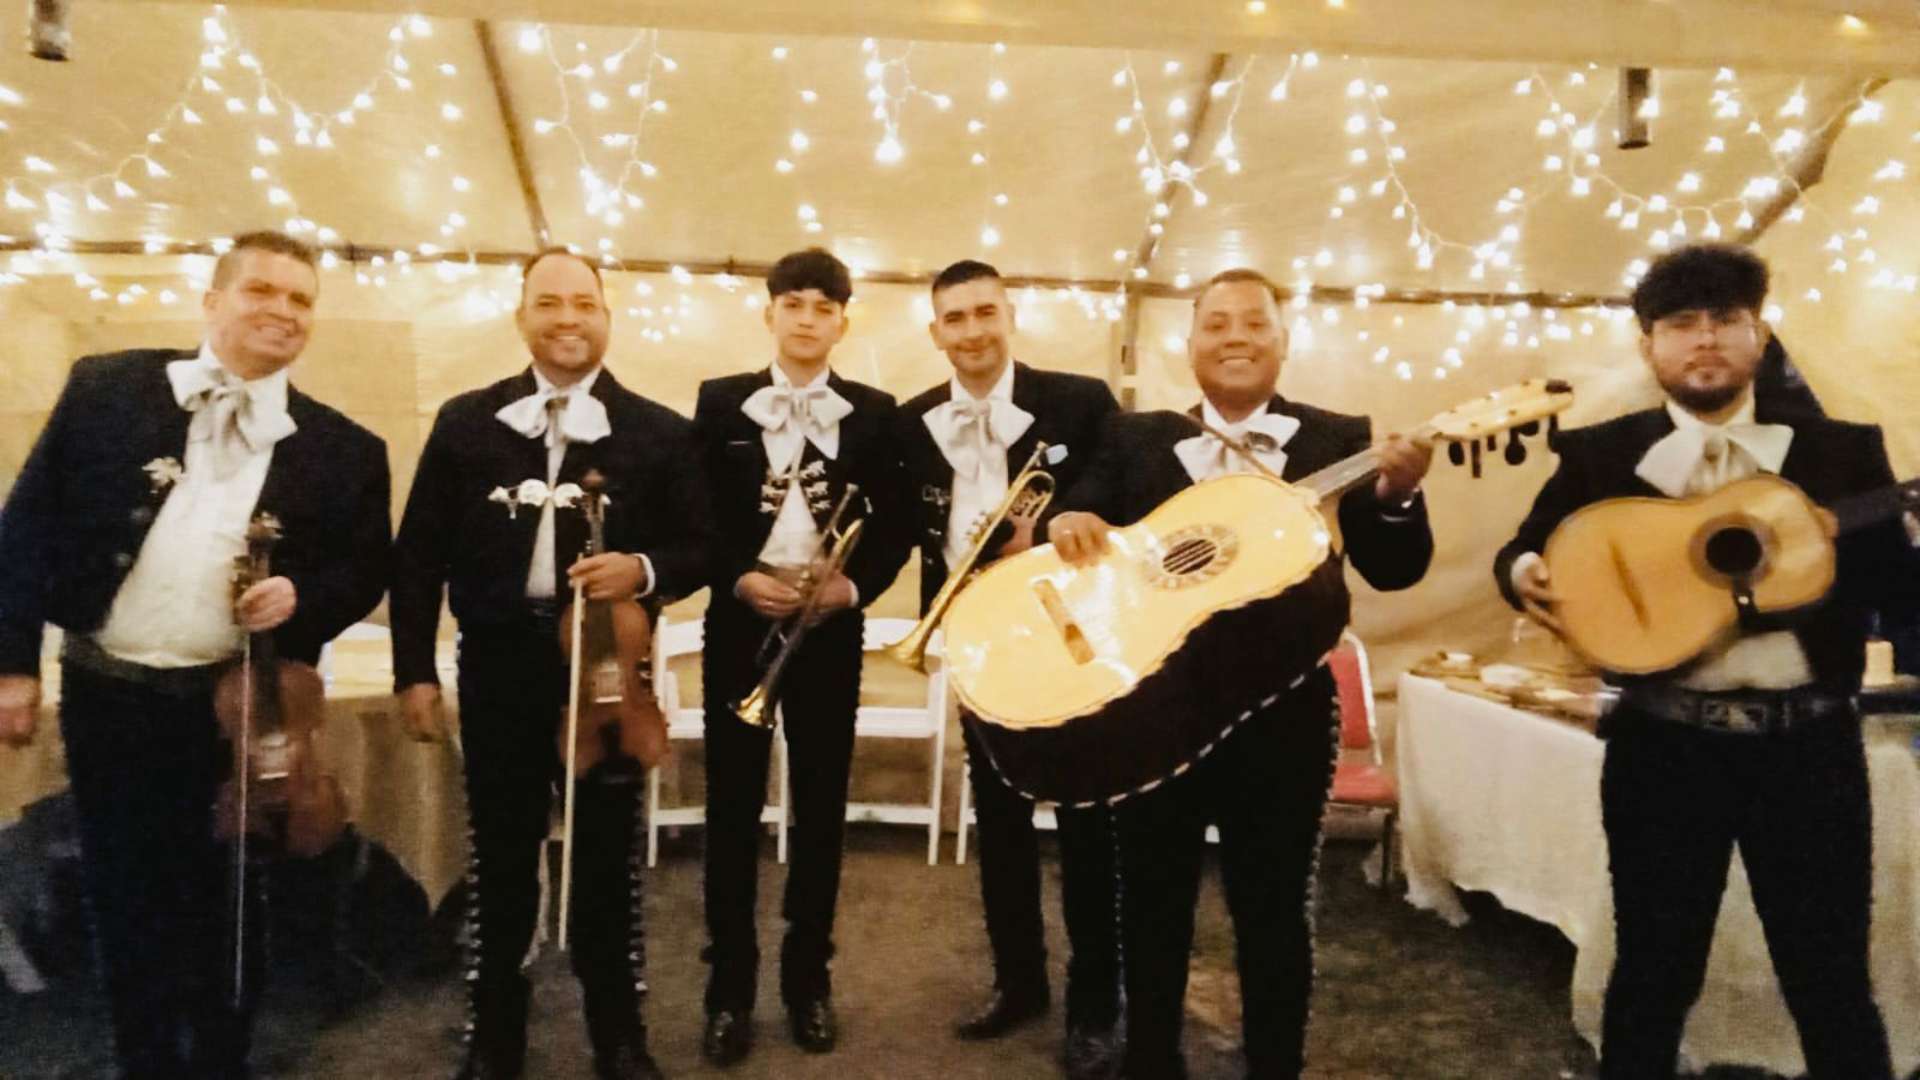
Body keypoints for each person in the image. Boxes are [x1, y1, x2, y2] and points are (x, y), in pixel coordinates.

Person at [1496, 243, 1919, 1080]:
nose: (1705, 340)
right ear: (1649, 344)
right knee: (1653, 972)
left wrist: (1885, 545)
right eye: (1681, 324)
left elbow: (1899, 596)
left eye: (1726, 319)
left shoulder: (1841, 452)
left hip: (1809, 749)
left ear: (1758, 335)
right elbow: (1524, 546)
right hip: (1665, 747)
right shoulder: (1601, 454)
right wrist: (1523, 572)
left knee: (1828, 975)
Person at [0, 229, 391, 1079]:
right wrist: (15, 664)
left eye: (300, 299)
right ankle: (142, 1059)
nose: (283, 311)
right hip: (111, 694)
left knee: (231, 904)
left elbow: (365, 570)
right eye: (262, 290)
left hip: (235, 706)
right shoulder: (106, 388)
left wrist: (304, 599)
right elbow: (25, 526)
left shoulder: (345, 448)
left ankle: (223, 1059)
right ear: (213, 300)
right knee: (124, 895)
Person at [1045, 268, 1433, 1079]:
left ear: (1282, 342)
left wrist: (1397, 497)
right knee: (1152, 907)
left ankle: (1274, 1066)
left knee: (1273, 913)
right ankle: (1152, 1060)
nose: (1234, 338)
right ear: (1188, 345)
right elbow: (1083, 507)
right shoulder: (1137, 436)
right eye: (1216, 324)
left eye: (1253, 324)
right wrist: (1072, 519)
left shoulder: (1340, 438)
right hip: (1156, 715)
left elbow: (1394, 571)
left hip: (1284, 716)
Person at [390, 247, 714, 1080]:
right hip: (496, 661)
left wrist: (641, 570)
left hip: (607, 671)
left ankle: (618, 1033)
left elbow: (704, 546)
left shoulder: (660, 430)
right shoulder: (466, 421)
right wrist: (414, 672)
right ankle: (496, 1032)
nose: (568, 318)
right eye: (549, 302)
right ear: (521, 315)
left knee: (607, 858)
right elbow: (418, 553)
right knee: (500, 852)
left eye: (584, 303)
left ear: (608, 316)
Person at [896, 260, 1122, 1078]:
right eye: (954, 319)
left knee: (1089, 824)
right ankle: (1018, 981)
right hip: (977, 637)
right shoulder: (913, 418)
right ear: (936, 333)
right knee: (1000, 824)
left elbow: (1112, 475)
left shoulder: (1080, 399)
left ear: (1009, 315)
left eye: (985, 312)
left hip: (1067, 637)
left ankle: (1097, 1001)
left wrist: (1063, 514)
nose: (973, 332)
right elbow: (900, 521)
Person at [690, 247, 909, 1066]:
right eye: (794, 304)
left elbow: (890, 527)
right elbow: (699, 514)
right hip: (741, 621)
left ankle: (808, 983)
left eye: (825, 305)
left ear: (843, 320)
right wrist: (739, 577)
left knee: (820, 811)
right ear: (770, 313)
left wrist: (851, 590)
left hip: (829, 628)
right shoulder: (720, 402)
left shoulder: (877, 411)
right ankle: (727, 994)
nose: (808, 318)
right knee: (731, 811)